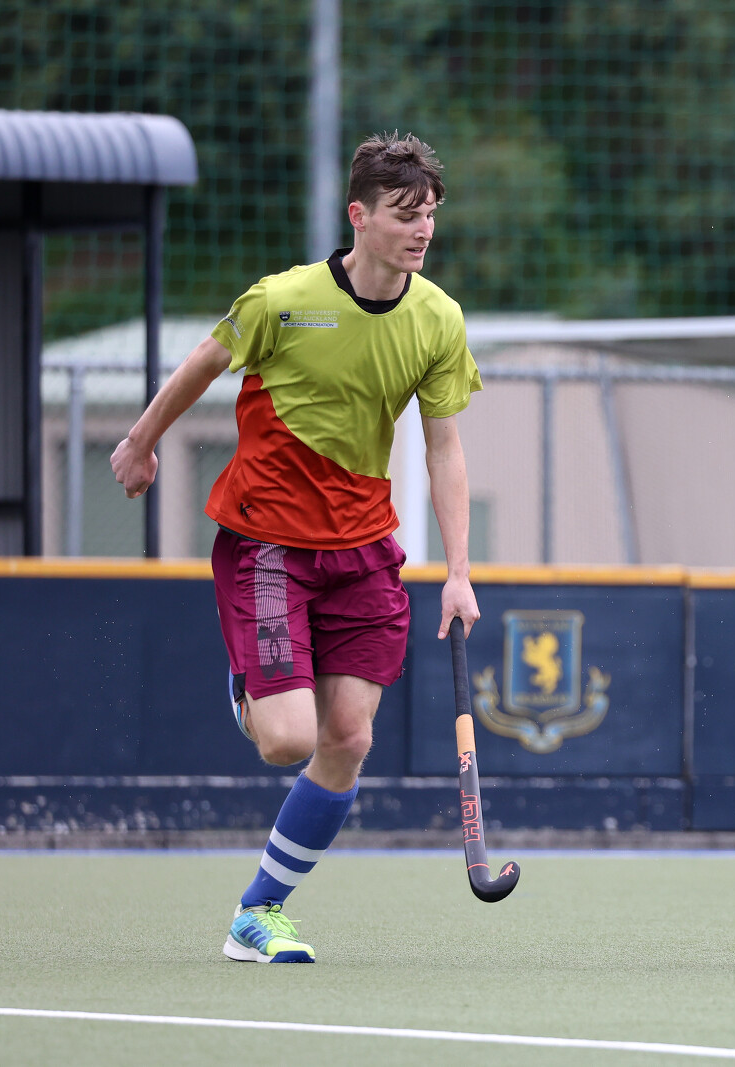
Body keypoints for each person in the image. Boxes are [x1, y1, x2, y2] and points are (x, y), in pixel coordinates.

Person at [111, 133, 482, 964]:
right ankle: (248, 677)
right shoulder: (283, 301)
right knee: (285, 739)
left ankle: (260, 909)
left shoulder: (438, 319)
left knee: (348, 737)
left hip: (364, 552)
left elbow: (445, 448)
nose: (423, 230)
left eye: (430, 213)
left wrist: (459, 572)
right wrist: (140, 442)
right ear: (359, 215)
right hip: (271, 546)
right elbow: (203, 362)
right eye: (405, 214)